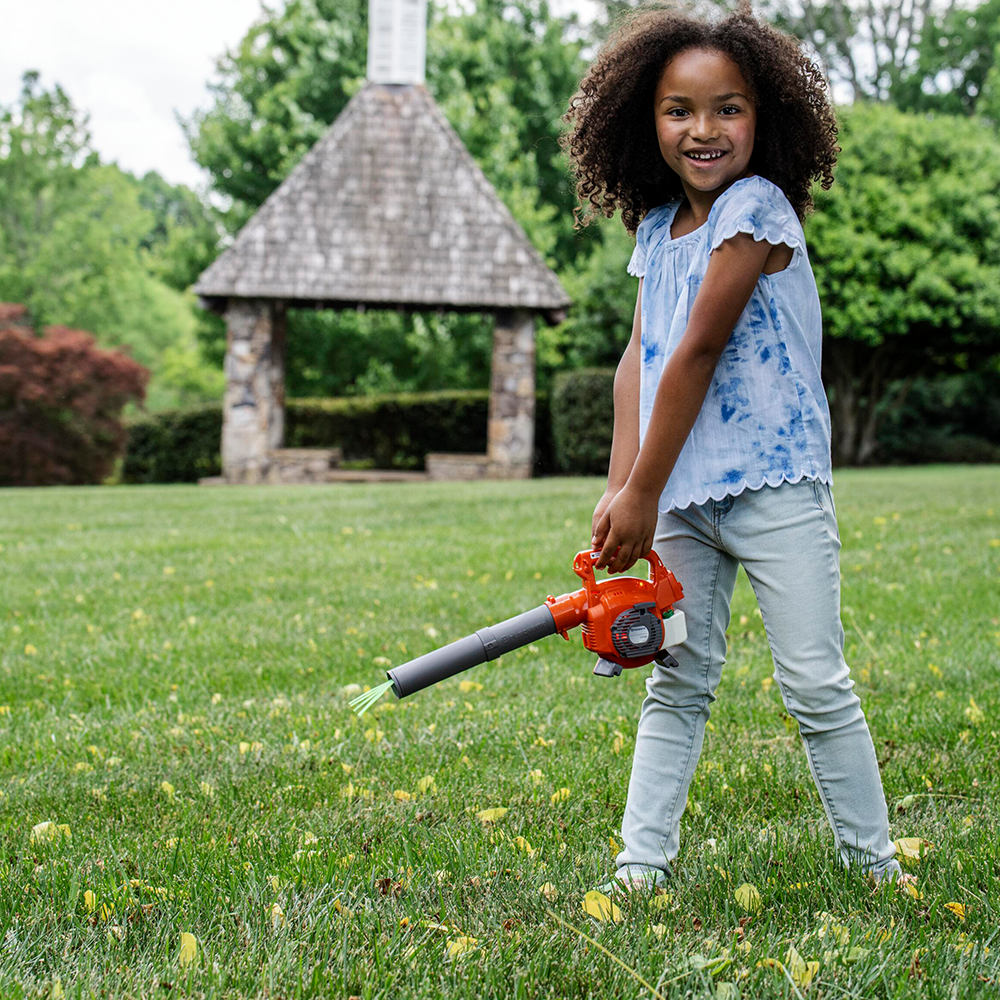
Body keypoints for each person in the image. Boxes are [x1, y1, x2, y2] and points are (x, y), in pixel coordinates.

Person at [560, 0, 907, 892]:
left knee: (815, 684)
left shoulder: (756, 208)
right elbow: (637, 366)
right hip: (679, 499)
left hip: (774, 488)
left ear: (767, 116)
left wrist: (642, 490)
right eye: (679, 110)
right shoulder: (654, 228)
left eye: (729, 108)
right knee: (674, 681)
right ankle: (641, 866)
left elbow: (698, 352)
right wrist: (621, 496)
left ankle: (875, 866)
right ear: (647, 119)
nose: (703, 130)